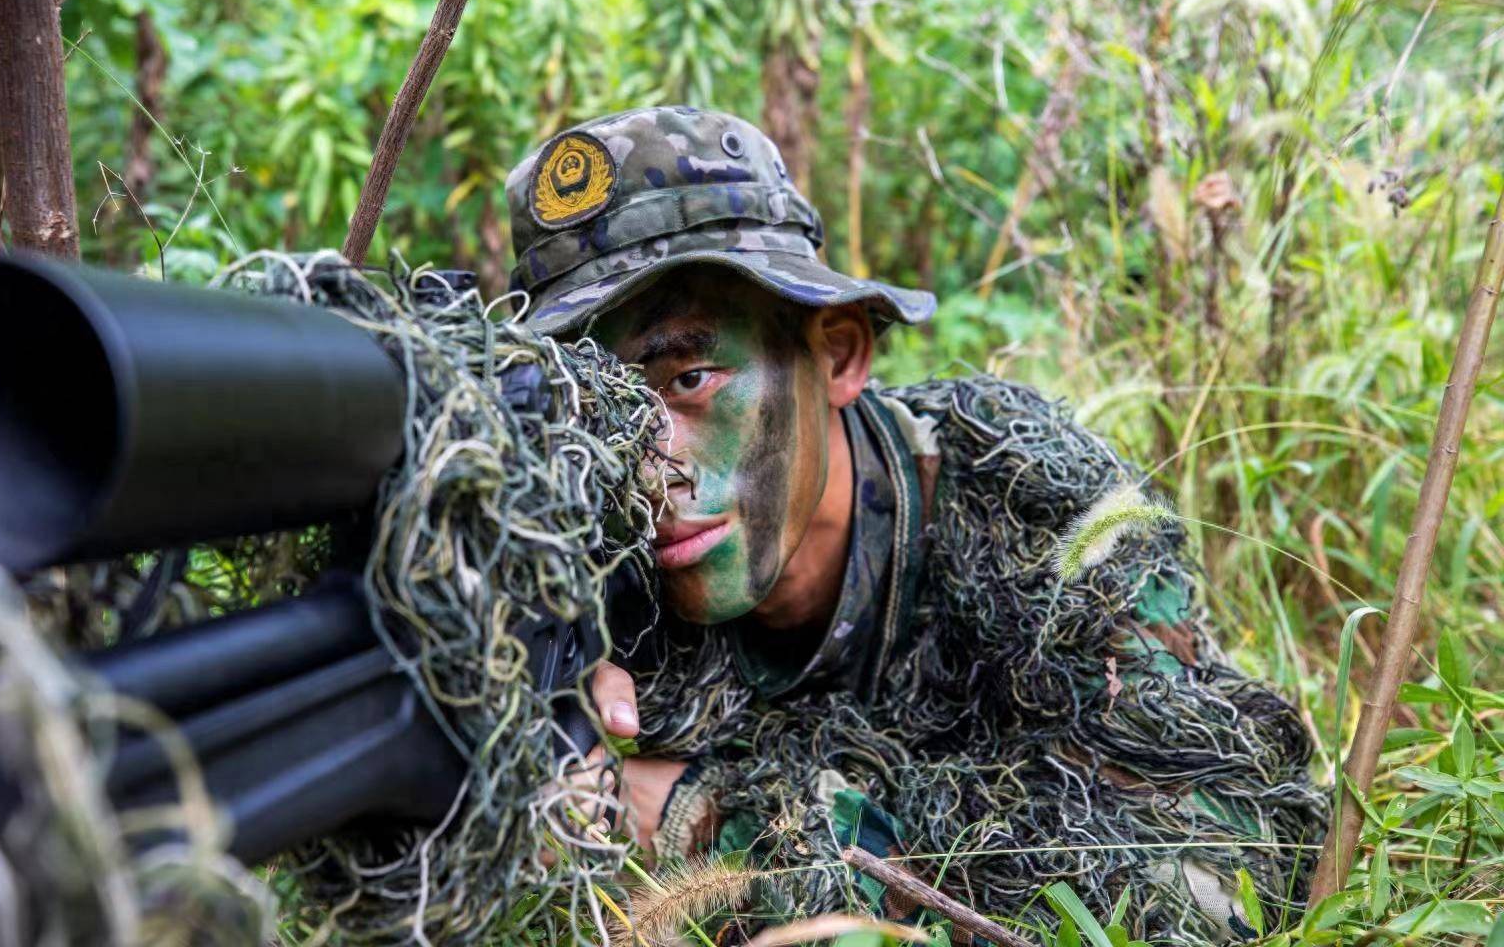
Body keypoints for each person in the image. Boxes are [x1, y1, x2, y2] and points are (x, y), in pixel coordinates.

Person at [504, 107, 1325, 943]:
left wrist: (697, 819)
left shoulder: (1031, 505)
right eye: (595, 411)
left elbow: (1215, 867)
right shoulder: (564, 561)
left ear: (841, 354)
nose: (646, 469)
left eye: (690, 380)